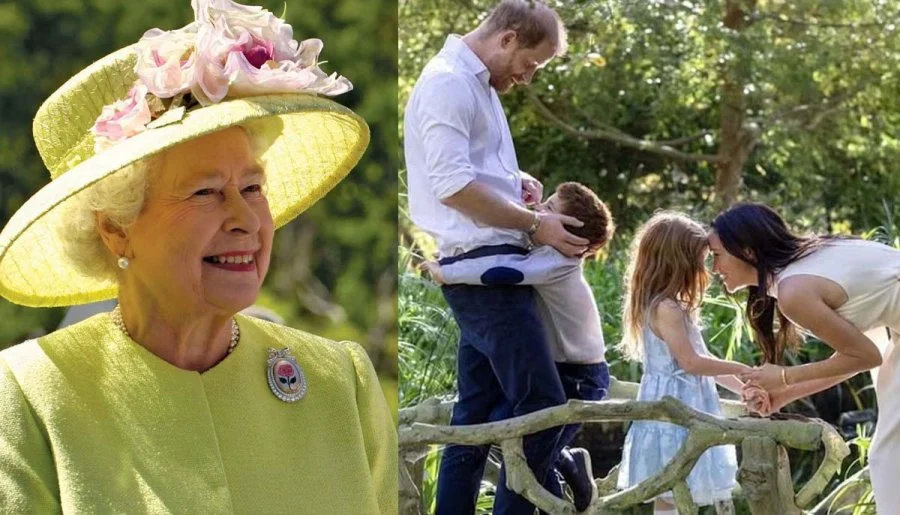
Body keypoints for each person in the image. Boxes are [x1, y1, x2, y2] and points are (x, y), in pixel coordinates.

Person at [0, 1, 396, 512]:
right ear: (117, 229)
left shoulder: (341, 382)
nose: (246, 220)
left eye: (252, 187)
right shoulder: (31, 392)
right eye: (206, 193)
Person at [404, 1, 589, 512]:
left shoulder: (477, 84)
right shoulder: (449, 83)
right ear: (507, 39)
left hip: (490, 264)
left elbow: (474, 173)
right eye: (531, 64)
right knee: (542, 407)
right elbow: (454, 187)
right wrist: (537, 224)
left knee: (478, 417)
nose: (527, 78)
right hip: (483, 270)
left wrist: (515, 182)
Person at [424, 181, 615, 512]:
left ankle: (565, 464)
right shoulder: (546, 251)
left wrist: (448, 272)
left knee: (528, 443)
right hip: (562, 366)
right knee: (515, 432)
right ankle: (567, 463)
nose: (540, 214)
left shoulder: (557, 262)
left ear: (572, 236)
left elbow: (503, 272)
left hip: (580, 377)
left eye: (551, 210)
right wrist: (528, 199)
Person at [708, 202, 899, 512]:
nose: (714, 268)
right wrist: (785, 393)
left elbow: (865, 356)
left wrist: (783, 377)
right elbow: (858, 355)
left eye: (717, 256)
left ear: (748, 251)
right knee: (891, 457)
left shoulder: (793, 291)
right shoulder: (811, 259)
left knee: (890, 458)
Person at [616, 213, 745, 514]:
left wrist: (743, 387)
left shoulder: (669, 304)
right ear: (680, 263)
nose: (706, 270)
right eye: (700, 262)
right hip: (675, 410)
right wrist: (740, 367)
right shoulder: (667, 307)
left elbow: (703, 364)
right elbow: (691, 363)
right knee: (673, 487)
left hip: (686, 404)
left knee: (678, 486)